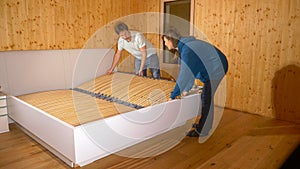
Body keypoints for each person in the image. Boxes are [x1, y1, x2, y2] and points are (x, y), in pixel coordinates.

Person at [162, 28, 228, 138]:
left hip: (217, 67)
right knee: (206, 95)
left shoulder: (187, 50)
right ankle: (204, 126)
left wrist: (173, 95)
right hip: (215, 65)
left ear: (171, 40)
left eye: (165, 41)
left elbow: (185, 75)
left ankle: (203, 130)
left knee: (206, 99)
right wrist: (186, 90)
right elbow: (189, 72)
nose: (165, 44)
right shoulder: (185, 48)